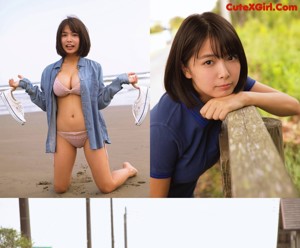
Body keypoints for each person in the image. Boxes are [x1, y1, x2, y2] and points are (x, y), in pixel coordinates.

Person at [150, 12, 300, 198]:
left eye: (231, 57)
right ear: (186, 69)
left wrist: (245, 98)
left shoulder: (231, 87)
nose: (224, 72)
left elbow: (293, 105)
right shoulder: (163, 127)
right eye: (209, 62)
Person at [8, 16, 139, 194]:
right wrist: (26, 86)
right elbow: (46, 104)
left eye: (74, 35)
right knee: (60, 188)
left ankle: (128, 169)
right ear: (59, 39)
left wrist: (120, 81)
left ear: (82, 38)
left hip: (89, 133)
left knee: (106, 186)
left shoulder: (94, 68)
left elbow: (99, 101)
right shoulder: (49, 71)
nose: (69, 39)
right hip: (62, 136)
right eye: (64, 35)